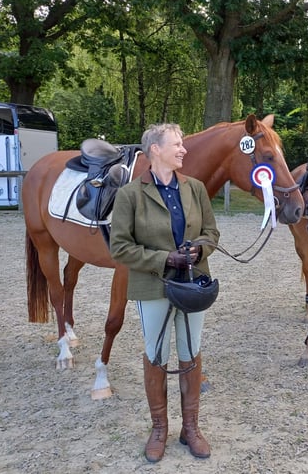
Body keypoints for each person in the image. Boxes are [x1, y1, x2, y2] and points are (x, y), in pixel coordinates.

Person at [110, 123, 220, 462]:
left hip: (192, 284)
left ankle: (191, 428)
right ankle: (159, 428)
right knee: (156, 354)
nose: (183, 149)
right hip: (152, 285)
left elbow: (211, 232)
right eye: (177, 144)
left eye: (182, 143)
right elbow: (120, 247)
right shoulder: (129, 194)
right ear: (155, 150)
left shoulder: (196, 188)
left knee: (191, 352)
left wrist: (198, 251)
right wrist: (164, 258)